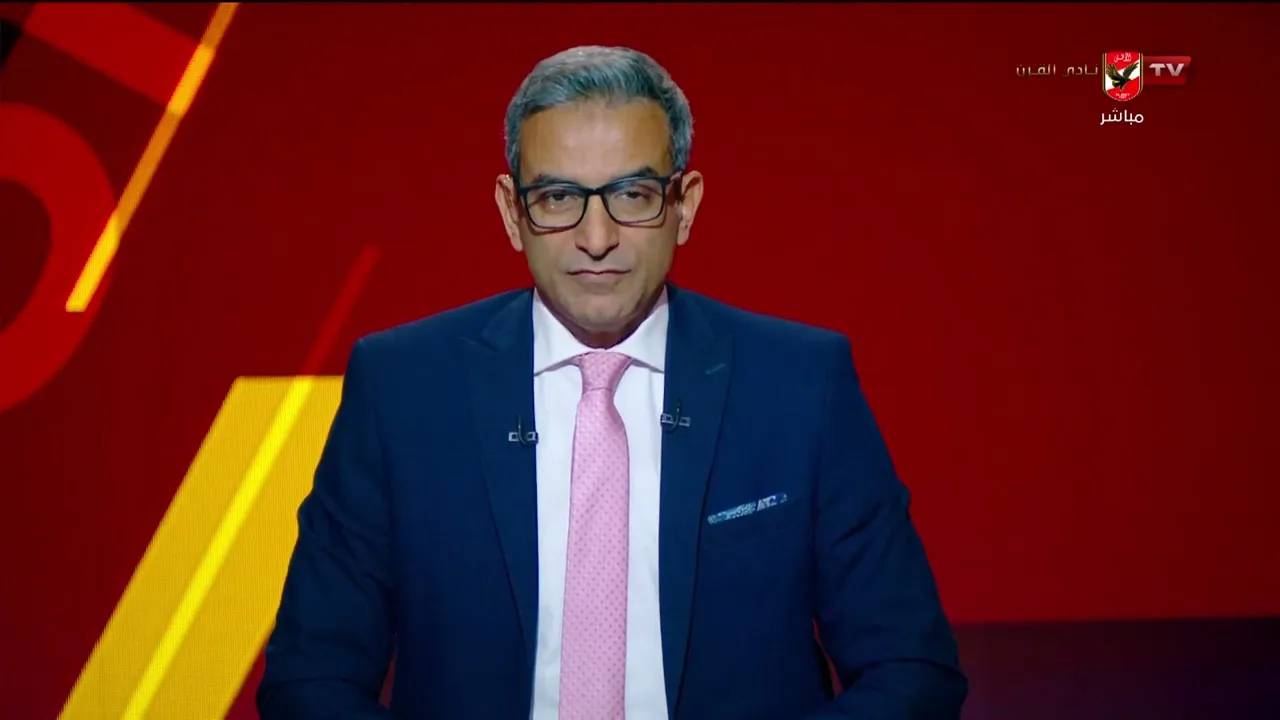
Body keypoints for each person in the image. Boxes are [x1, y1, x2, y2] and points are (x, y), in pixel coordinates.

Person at [258, 45, 967, 719]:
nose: (596, 238)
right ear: (512, 212)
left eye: (632, 193)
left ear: (685, 204)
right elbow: (308, 681)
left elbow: (912, 670)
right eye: (558, 196)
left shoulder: (801, 385)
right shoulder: (401, 388)